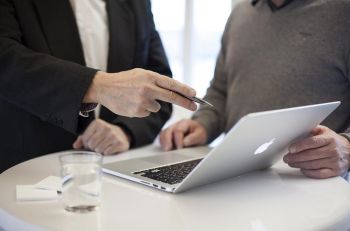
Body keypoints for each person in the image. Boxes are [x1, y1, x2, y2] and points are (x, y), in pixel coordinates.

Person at [0, 0, 198, 172]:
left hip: (112, 178)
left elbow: (160, 90)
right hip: (23, 174)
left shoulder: (137, 3)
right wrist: (97, 86)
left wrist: (126, 131)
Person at [160, 0, 350, 179]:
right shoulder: (240, 15)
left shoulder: (343, 12)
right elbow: (221, 90)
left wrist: (347, 146)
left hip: (314, 189)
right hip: (236, 179)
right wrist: (202, 124)